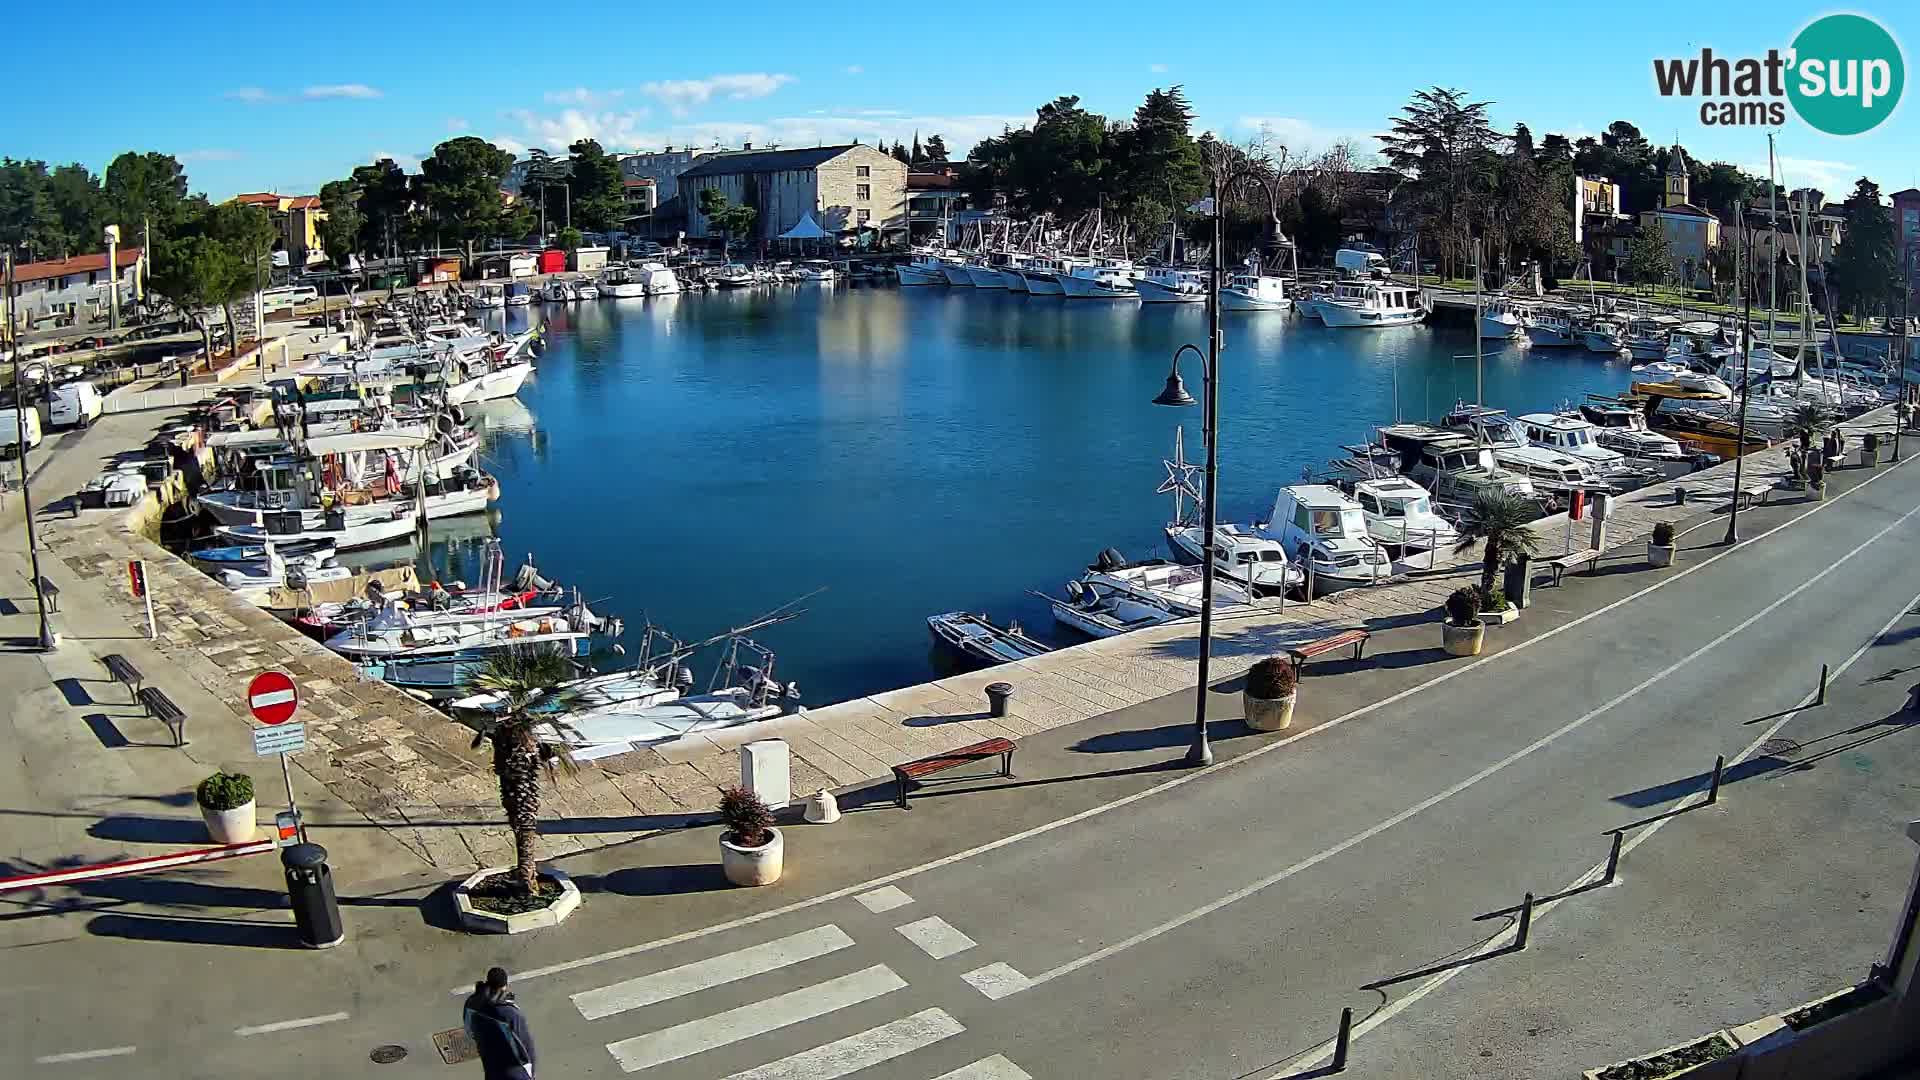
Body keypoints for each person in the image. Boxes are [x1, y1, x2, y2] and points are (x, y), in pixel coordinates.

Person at [463, 967, 536, 1080]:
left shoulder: (472, 1002)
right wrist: (531, 1073)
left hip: (490, 1062)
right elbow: (526, 1047)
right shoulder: (510, 1013)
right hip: (513, 1070)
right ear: (504, 986)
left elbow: (469, 1029)